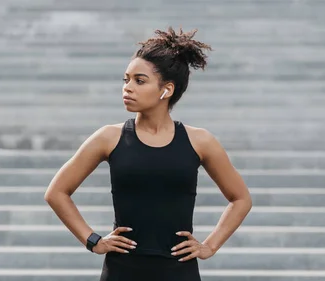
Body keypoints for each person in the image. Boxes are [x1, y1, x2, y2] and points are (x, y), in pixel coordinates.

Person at [44, 27, 253, 281]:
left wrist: (209, 246)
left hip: (179, 272)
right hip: (122, 272)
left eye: (139, 81)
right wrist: (93, 240)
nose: (127, 88)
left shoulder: (201, 141)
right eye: (126, 79)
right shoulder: (108, 137)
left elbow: (241, 199)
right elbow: (56, 192)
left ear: (166, 89)